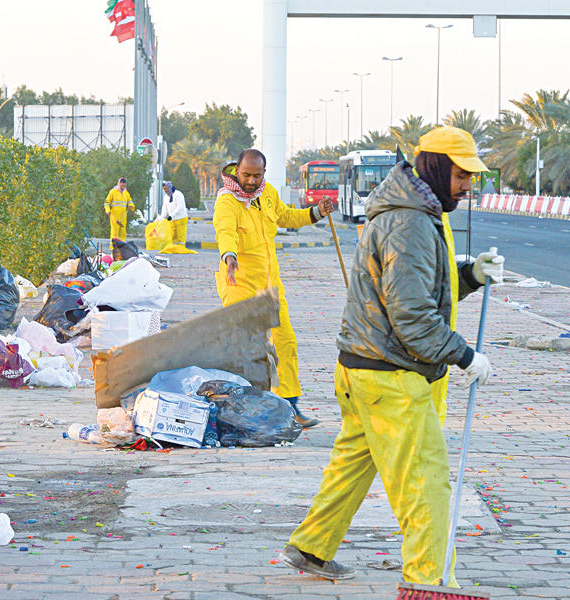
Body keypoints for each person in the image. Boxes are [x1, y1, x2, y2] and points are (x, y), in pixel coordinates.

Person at [281, 126, 505, 586]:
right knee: (426, 486)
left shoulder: (416, 209)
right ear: (438, 167)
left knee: (352, 466)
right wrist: (464, 357)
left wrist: (471, 275)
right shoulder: (411, 221)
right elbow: (413, 316)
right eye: (463, 175)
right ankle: (429, 582)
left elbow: (419, 290)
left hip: (361, 369)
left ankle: (311, 546)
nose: (469, 185)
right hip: (391, 379)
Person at [213, 148, 334, 429]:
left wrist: (316, 212)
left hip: (270, 286)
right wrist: (228, 256)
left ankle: (290, 407)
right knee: (244, 349)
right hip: (239, 283)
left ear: (264, 173)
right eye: (246, 175)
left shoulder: (268, 194)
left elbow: (287, 217)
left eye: (257, 175)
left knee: (285, 342)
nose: (251, 181)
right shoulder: (227, 202)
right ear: (236, 171)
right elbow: (225, 232)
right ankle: (241, 410)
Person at [104, 177, 135, 248]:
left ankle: (122, 248)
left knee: (123, 233)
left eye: (124, 186)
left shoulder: (126, 193)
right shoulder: (113, 192)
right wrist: (108, 211)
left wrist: (131, 206)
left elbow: (130, 201)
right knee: (114, 232)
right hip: (114, 216)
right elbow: (106, 202)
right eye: (122, 186)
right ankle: (113, 248)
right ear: (119, 184)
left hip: (123, 216)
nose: (123, 187)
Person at [158, 180, 189, 244]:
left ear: (169, 188)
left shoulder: (178, 194)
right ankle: (174, 249)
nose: (165, 191)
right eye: (164, 190)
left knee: (180, 236)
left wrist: (171, 216)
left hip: (181, 218)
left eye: (166, 189)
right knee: (173, 237)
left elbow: (180, 207)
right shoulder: (166, 197)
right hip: (172, 220)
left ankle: (181, 248)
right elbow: (165, 207)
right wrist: (161, 217)